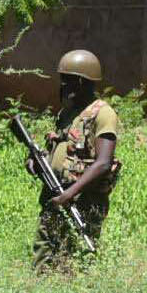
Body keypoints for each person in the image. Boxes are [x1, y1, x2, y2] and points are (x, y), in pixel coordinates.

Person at [32, 48, 120, 271]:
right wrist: (36, 164)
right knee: (44, 253)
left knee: (75, 260)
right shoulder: (68, 112)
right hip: (55, 194)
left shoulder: (103, 114)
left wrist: (68, 195)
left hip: (82, 200)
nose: (63, 85)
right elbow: (61, 147)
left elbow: (103, 163)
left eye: (67, 81)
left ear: (80, 82)